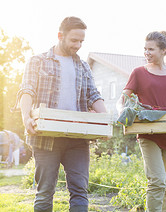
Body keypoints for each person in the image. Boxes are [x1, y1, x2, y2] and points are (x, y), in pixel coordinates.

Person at [17, 16, 107, 212]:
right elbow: (27, 90)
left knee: (80, 192)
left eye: (81, 41)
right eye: (74, 40)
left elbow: (93, 95)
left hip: (77, 138)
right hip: (45, 137)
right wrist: (26, 117)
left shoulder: (83, 66)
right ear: (60, 36)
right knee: (44, 192)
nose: (78, 45)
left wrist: (105, 122)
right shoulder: (37, 61)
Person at [118, 31, 166, 212]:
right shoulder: (139, 73)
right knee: (157, 181)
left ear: (163, 51)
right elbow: (122, 99)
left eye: (151, 49)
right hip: (148, 133)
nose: (147, 53)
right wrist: (121, 111)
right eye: (145, 49)